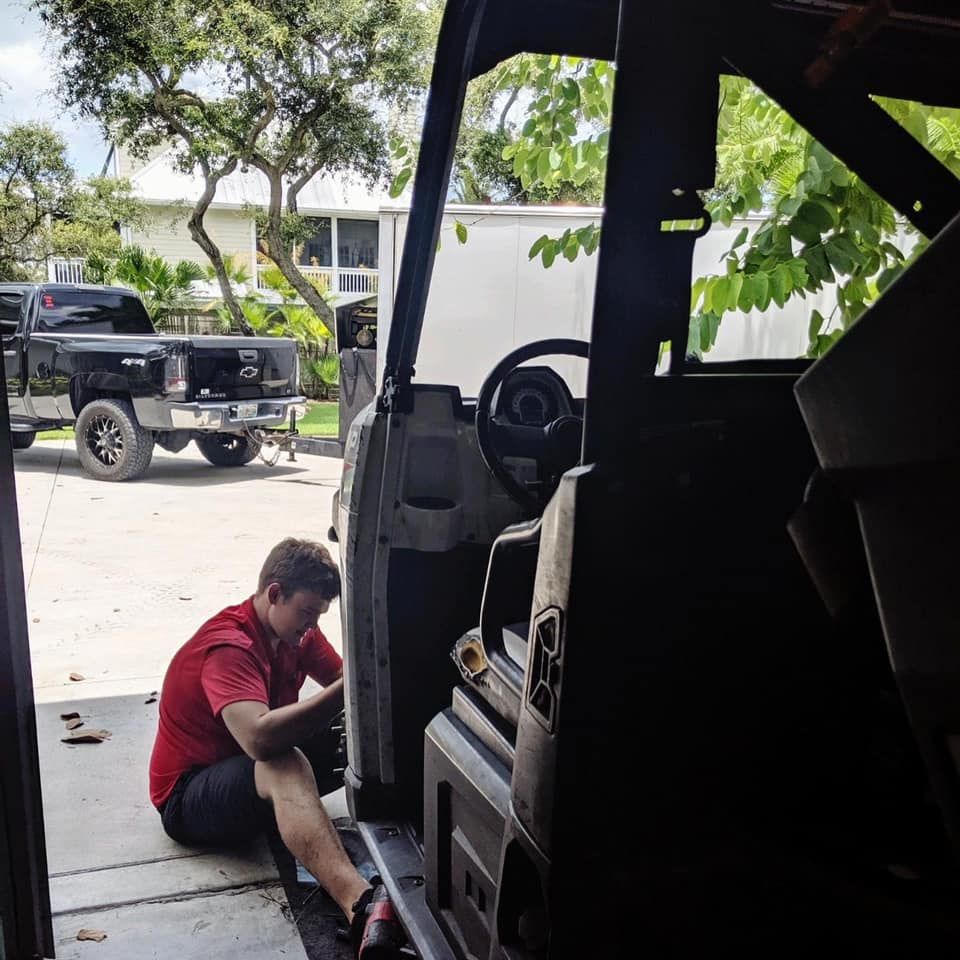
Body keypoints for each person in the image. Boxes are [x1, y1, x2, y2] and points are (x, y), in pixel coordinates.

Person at [149, 537, 403, 958]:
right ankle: (361, 905)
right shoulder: (230, 646)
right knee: (282, 762)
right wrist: (350, 687)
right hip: (187, 798)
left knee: (351, 726)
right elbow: (259, 739)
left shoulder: (297, 635)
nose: (311, 624)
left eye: (319, 615)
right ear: (274, 594)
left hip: (237, 773)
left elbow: (353, 691)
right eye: (306, 612)